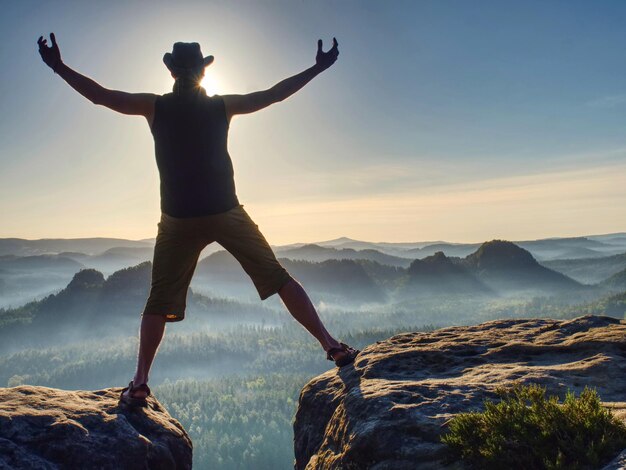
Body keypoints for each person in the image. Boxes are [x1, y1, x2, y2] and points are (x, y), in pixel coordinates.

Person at [37, 33, 359, 407]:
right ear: (203, 72)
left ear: (171, 70)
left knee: (158, 299)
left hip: (177, 219)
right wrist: (316, 69)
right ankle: (332, 346)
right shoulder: (222, 106)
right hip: (226, 211)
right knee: (278, 276)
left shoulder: (155, 106)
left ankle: (140, 381)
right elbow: (275, 94)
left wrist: (58, 66)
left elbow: (100, 95)